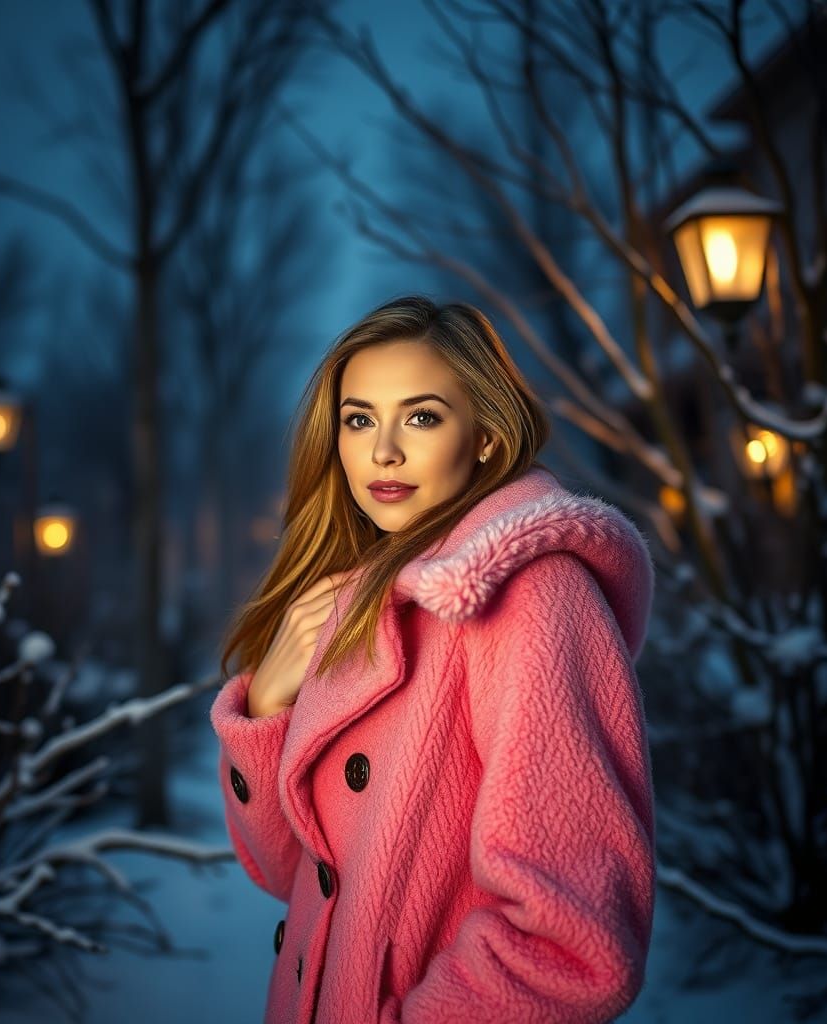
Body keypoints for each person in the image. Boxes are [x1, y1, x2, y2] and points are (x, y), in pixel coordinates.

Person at [210, 295, 656, 1024]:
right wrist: (268, 707)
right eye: (360, 419)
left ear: (483, 435)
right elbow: (290, 872)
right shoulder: (352, 602)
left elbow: (576, 943)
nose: (383, 451)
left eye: (421, 416)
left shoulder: (530, 594)